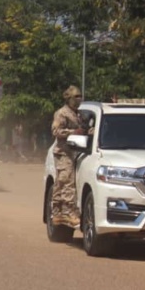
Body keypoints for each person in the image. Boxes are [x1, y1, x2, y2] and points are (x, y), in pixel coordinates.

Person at [51, 85, 86, 228]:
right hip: (64, 152)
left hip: (74, 153)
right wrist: (73, 132)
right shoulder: (62, 113)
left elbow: (82, 129)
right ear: (69, 98)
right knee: (67, 182)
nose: (79, 99)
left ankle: (57, 213)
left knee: (60, 183)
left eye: (80, 96)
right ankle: (68, 212)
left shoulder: (78, 114)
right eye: (76, 96)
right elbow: (56, 131)